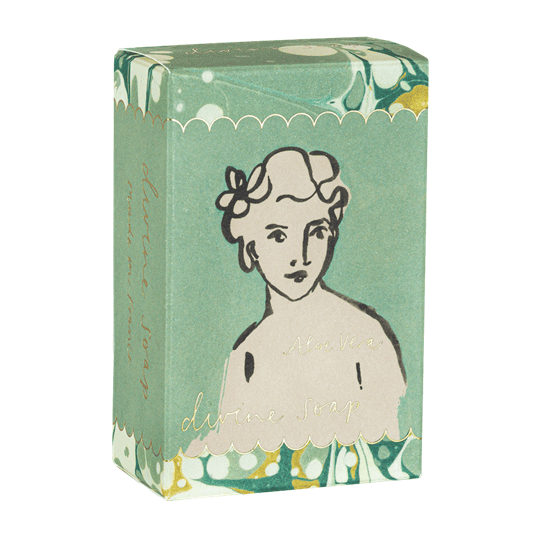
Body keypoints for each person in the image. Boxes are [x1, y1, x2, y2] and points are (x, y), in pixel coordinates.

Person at [185, 147, 406, 457]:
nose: (299, 256)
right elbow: (234, 452)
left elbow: (391, 442)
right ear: (251, 248)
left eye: (316, 232)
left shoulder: (365, 335)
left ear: (331, 237)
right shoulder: (246, 355)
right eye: (278, 236)